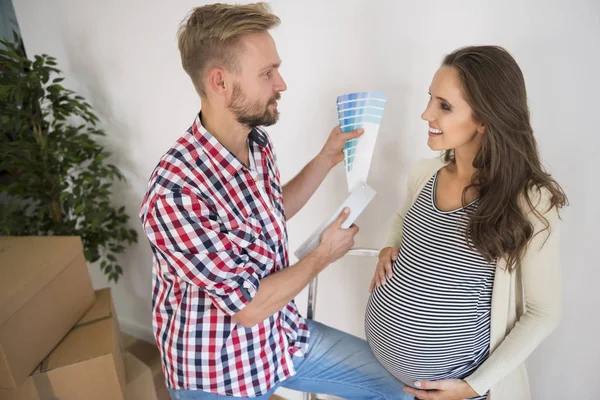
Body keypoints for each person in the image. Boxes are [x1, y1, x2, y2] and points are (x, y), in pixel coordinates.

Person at [140, 3, 414, 399]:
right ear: (219, 82)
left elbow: (270, 212)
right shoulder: (175, 193)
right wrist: (323, 255)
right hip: (219, 376)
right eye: (267, 73)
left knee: (402, 387)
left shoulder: (255, 141)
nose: (281, 83)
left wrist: (324, 160)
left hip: (281, 340)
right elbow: (248, 307)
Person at [366, 45, 567, 400]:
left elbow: (543, 312)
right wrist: (388, 244)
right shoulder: (424, 173)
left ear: (485, 118)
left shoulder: (529, 201)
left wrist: (474, 385)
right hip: (390, 381)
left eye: (444, 106)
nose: (426, 114)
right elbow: (402, 217)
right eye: (431, 98)